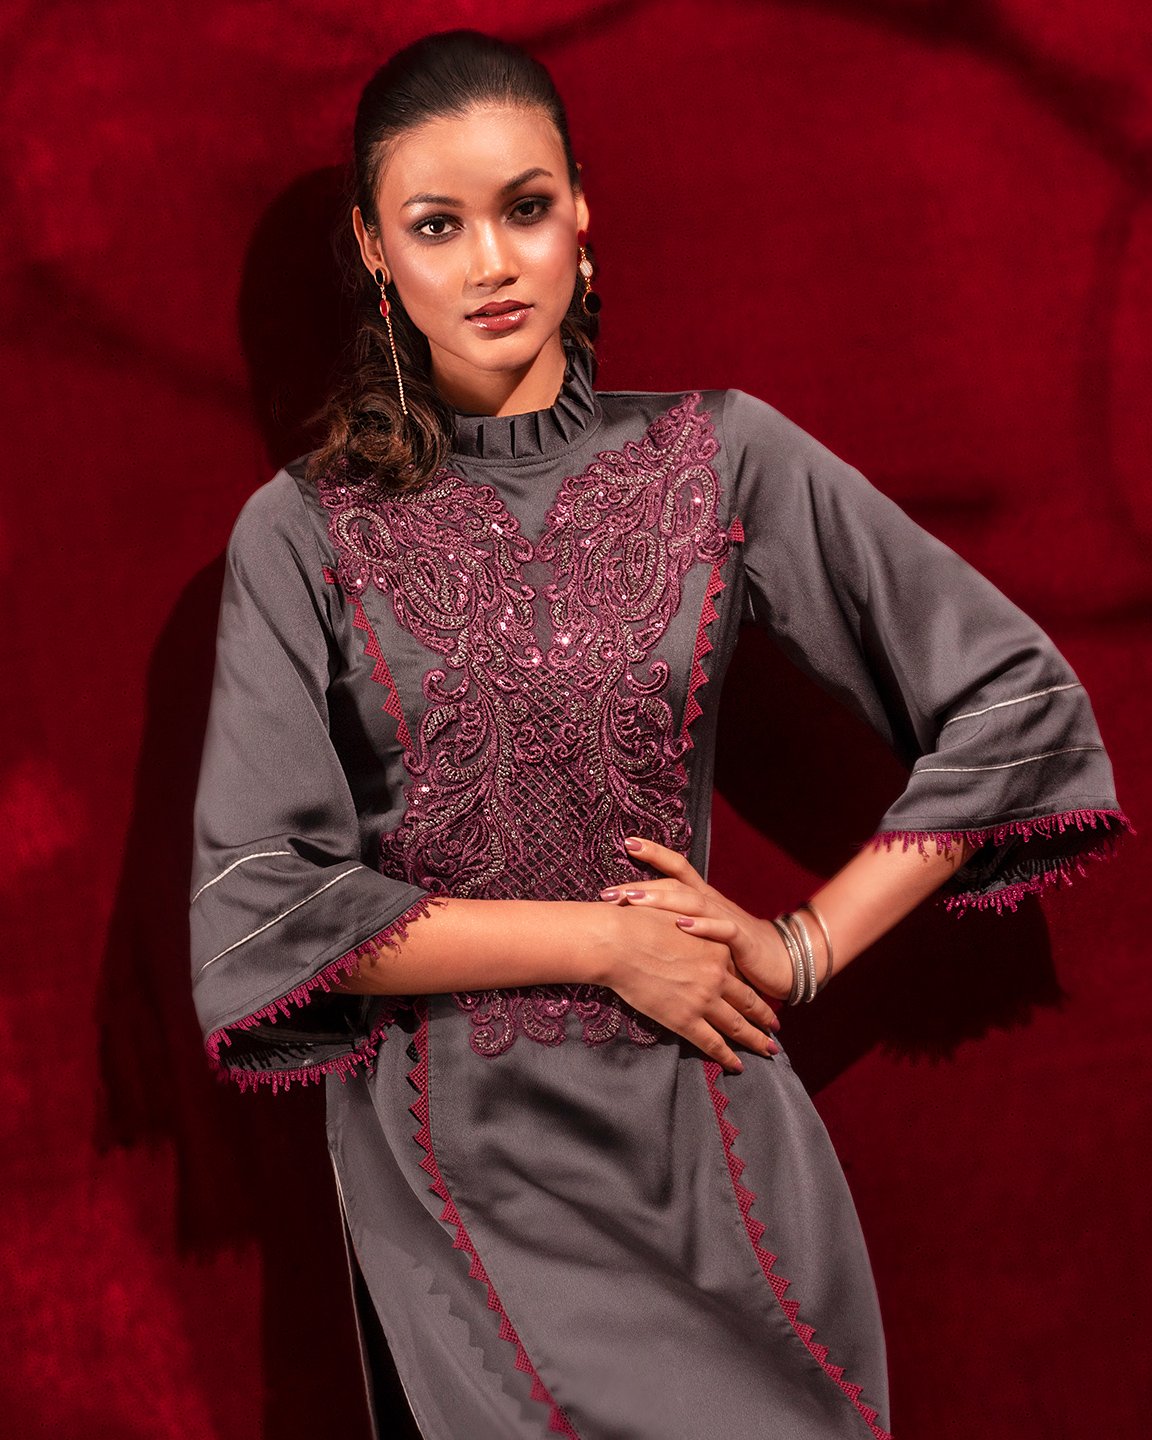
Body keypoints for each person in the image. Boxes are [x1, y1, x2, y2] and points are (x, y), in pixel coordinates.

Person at [189, 28, 1131, 1440]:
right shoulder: (304, 531)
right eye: (438, 226)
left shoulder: (720, 457)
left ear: (582, 211)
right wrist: (601, 942)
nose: (492, 263)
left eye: (524, 207)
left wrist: (802, 948)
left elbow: (1019, 703)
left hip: (715, 1138)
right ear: (376, 253)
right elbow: (264, 905)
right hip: (468, 1170)